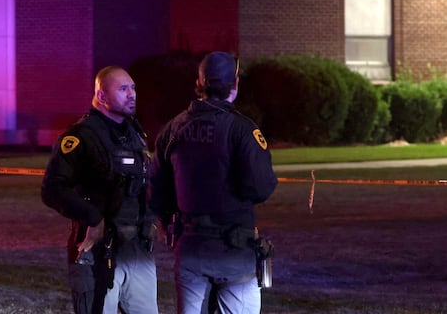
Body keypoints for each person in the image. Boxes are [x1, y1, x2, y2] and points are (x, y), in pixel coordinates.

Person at [148, 51, 278, 314]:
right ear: (235, 83)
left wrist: (168, 222)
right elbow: (261, 188)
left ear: (199, 84)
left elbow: (155, 190)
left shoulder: (173, 129)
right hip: (234, 251)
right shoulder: (242, 129)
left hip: (190, 247)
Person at [41, 66, 159, 314]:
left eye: (133, 88)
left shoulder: (134, 134)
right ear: (102, 96)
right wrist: (93, 218)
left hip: (137, 250)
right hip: (97, 252)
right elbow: (52, 188)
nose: (132, 94)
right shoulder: (81, 136)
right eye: (123, 89)